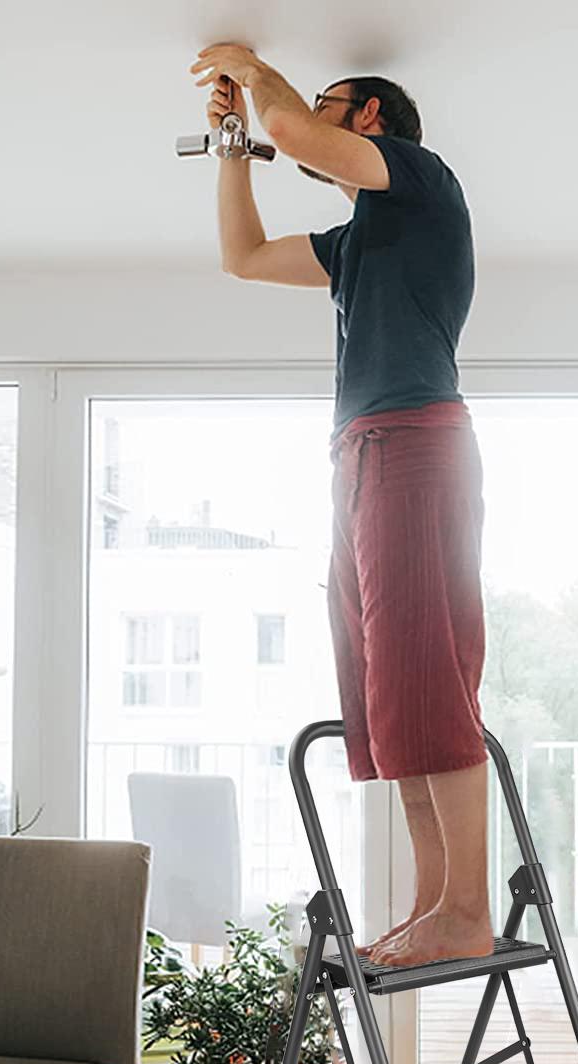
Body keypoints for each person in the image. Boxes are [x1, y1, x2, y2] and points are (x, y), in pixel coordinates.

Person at [190, 44, 492, 969]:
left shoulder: (423, 182)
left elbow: (291, 126)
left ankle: (467, 908)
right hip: (359, 455)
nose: (308, 122)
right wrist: (231, 143)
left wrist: (249, 69)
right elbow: (241, 257)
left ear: (367, 120)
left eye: (329, 105)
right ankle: (432, 903)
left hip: (414, 439)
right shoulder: (355, 242)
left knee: (427, 671)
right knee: (384, 687)